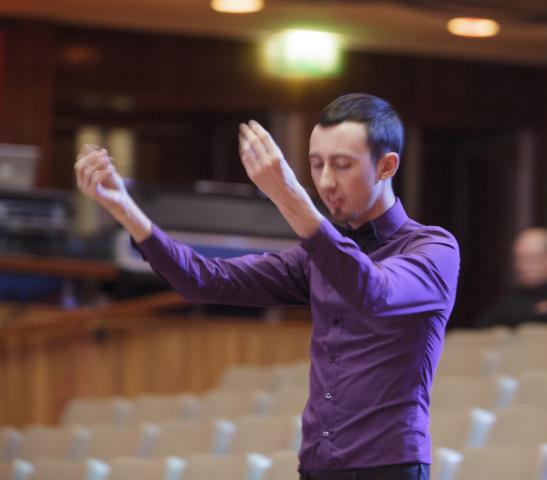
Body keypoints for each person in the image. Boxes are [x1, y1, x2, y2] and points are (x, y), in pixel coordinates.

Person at [75, 93, 460, 480]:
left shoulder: (432, 249)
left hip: (389, 467)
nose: (326, 182)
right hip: (315, 465)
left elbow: (373, 292)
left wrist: (286, 195)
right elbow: (204, 281)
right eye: (316, 165)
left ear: (386, 166)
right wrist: (124, 208)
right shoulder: (315, 257)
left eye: (342, 165)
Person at [476, 228, 547, 328]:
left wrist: (514, 314)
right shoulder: (511, 295)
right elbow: (484, 324)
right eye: (519, 259)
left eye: (531, 259)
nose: (523, 266)